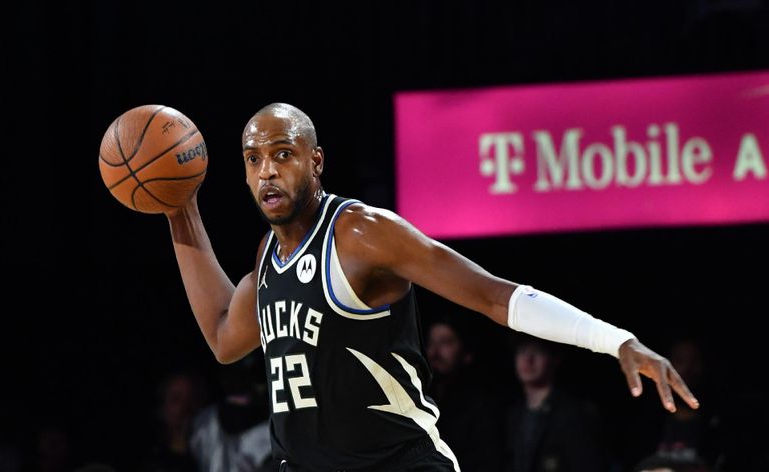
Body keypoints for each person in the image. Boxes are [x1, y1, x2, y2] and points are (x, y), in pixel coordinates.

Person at [163, 102, 699, 471]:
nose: (267, 172)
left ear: (315, 161)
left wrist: (614, 339)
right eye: (254, 160)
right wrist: (179, 208)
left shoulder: (360, 233)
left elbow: (492, 293)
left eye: (283, 154)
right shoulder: (269, 255)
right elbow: (222, 337)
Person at [502, 335, 609, 472]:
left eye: (537, 352)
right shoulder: (513, 414)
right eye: (522, 351)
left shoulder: (574, 414)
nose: (528, 360)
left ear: (555, 359)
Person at [424, 315, 503, 471]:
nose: (433, 353)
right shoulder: (420, 398)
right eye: (430, 343)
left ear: (467, 353)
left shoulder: (483, 406)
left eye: (445, 343)